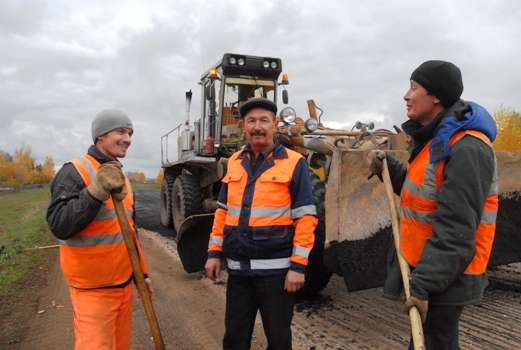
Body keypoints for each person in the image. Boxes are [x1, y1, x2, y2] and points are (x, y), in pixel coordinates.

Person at [366, 60, 498, 349]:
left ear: (436, 96)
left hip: (447, 274)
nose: (406, 95)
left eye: (414, 88)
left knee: (437, 342)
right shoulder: (436, 140)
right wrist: (388, 167)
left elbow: (457, 229)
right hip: (432, 267)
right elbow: (423, 196)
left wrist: (424, 284)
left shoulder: (466, 148)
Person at [205, 98, 318, 350]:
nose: (258, 127)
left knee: (278, 341)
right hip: (238, 271)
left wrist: (298, 267)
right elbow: (223, 212)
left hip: (276, 275)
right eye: (252, 121)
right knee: (234, 340)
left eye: (264, 121)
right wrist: (214, 254)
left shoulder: (294, 162)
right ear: (243, 126)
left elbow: (306, 217)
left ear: (275, 125)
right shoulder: (234, 161)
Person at [46, 109, 154, 350]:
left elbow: (128, 230)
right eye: (121, 131)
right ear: (101, 136)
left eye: (130, 133)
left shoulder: (120, 177)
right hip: (92, 291)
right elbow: (59, 224)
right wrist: (94, 192)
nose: (128, 138)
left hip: (123, 285)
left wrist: (141, 274)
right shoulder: (75, 170)